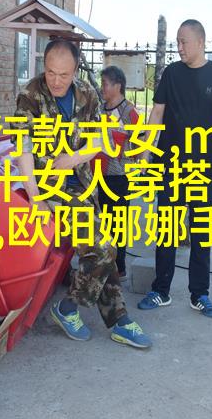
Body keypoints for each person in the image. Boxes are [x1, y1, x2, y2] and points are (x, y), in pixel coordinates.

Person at [15, 39, 152, 349]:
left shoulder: (88, 95)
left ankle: (115, 319)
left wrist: (73, 158)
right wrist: (35, 197)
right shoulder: (31, 94)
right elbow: (23, 147)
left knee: (103, 247)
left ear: (76, 70)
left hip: (82, 184)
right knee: (103, 249)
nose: (56, 81)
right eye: (51, 72)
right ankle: (73, 310)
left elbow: (100, 141)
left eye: (64, 75)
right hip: (49, 186)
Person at [137, 19, 212, 318]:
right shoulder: (172, 73)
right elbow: (157, 112)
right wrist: (146, 150)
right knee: (167, 230)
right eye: (177, 42)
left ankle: (200, 294)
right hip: (170, 165)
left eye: (184, 42)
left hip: (203, 168)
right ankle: (161, 290)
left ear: (200, 42)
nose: (179, 47)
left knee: (201, 233)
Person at [97, 65, 140, 280]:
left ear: (118, 86)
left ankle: (118, 268)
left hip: (119, 177)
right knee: (100, 223)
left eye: (105, 84)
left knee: (117, 223)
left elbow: (141, 144)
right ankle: (102, 265)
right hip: (97, 174)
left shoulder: (129, 112)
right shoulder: (99, 109)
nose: (102, 87)